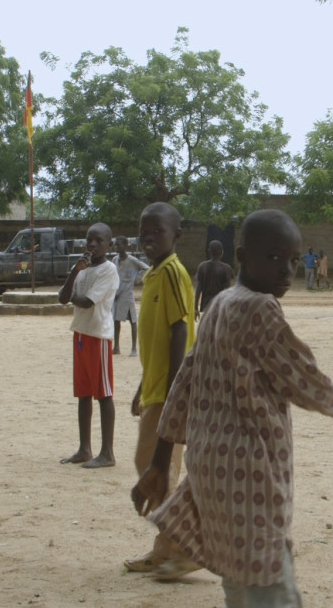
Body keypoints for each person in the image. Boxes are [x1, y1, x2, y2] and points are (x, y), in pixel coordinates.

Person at [131, 209, 333, 596]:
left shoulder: (220, 305)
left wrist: (160, 461)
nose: (287, 270)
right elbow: (304, 380)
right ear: (241, 257)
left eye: (292, 260)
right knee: (267, 579)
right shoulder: (260, 309)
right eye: (273, 258)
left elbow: (183, 385)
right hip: (250, 473)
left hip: (210, 472)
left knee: (239, 576)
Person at [124, 202, 198, 575]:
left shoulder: (172, 271)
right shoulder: (153, 275)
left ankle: (182, 549)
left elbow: (180, 330)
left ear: (176, 237)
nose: (148, 236)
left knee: (157, 469)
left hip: (171, 392)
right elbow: (156, 342)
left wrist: (173, 393)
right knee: (152, 467)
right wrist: (142, 386)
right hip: (157, 389)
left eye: (158, 231)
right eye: (144, 230)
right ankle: (167, 547)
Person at [57, 223, 120, 468]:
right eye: (89, 240)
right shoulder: (82, 270)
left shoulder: (109, 270)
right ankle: (84, 448)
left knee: (103, 394)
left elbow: (85, 302)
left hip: (99, 337)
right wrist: (75, 271)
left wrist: (70, 291)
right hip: (81, 334)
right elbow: (63, 297)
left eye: (98, 241)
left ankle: (107, 453)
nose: (92, 245)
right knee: (83, 394)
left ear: (109, 244)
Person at [112, 236, 149, 357]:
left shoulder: (132, 260)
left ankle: (134, 348)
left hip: (127, 295)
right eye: (116, 245)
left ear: (126, 246)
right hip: (116, 295)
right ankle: (116, 346)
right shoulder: (115, 260)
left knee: (132, 320)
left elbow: (146, 268)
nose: (117, 247)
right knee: (116, 320)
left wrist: (136, 279)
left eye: (119, 245)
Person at [194, 239, 234, 318]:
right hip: (220, 306)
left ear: (209, 251)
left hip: (206, 305)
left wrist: (195, 307)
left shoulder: (202, 266)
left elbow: (198, 289)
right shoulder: (226, 268)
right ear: (222, 252)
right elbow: (227, 291)